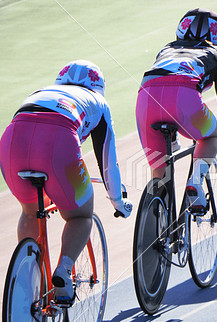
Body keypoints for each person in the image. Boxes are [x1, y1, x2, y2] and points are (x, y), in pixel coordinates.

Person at [0, 60, 133, 303]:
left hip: (11, 144)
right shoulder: (99, 103)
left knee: (30, 212)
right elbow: (108, 163)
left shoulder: (41, 91)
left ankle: (32, 278)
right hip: (58, 142)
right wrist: (117, 201)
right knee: (80, 216)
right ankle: (62, 271)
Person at [135, 8, 217, 209]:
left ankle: (155, 220)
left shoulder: (166, 50)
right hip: (184, 97)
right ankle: (195, 182)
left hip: (145, 98)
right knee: (209, 135)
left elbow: (163, 86)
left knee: (159, 174)